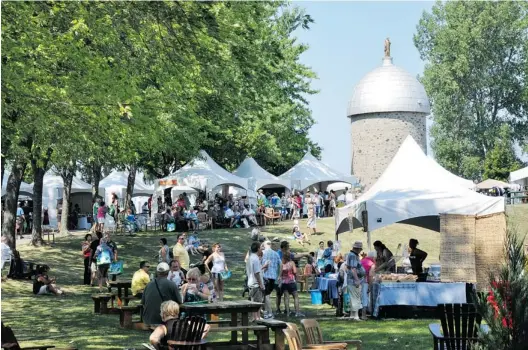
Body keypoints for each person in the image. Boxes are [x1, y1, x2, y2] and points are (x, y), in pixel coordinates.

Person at [346, 241, 366, 321]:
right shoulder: (353, 256)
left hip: (351, 280)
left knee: (352, 297)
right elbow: (353, 268)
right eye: (360, 249)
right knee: (356, 297)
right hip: (354, 281)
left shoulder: (350, 255)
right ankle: (356, 316)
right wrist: (357, 280)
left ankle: (352, 315)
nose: (360, 251)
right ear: (357, 249)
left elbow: (348, 267)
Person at [260, 241, 280, 319]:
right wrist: (279, 275)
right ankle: (265, 312)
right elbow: (280, 264)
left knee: (266, 295)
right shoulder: (276, 253)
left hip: (265, 276)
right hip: (273, 277)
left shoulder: (263, 253)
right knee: (266, 295)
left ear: (265, 245)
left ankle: (270, 313)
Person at [280, 253, 303, 317]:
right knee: (295, 297)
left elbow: (280, 274)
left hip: (284, 282)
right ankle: (297, 312)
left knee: (286, 298)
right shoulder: (292, 263)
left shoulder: (282, 264)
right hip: (291, 281)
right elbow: (295, 271)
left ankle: (287, 313)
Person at [246, 242, 265, 321]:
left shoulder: (250, 257)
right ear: (257, 249)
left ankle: (255, 317)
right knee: (257, 302)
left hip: (250, 282)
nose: (262, 249)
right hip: (255, 283)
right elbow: (257, 273)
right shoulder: (256, 259)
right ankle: (257, 317)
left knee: (253, 300)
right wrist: (261, 284)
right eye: (260, 247)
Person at [361, 251, 376, 317]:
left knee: (359, 297)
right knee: (365, 297)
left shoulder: (362, 260)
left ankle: (357, 313)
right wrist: (370, 286)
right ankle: (364, 314)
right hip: (364, 281)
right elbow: (370, 275)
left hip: (357, 281)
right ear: (373, 257)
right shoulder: (372, 264)